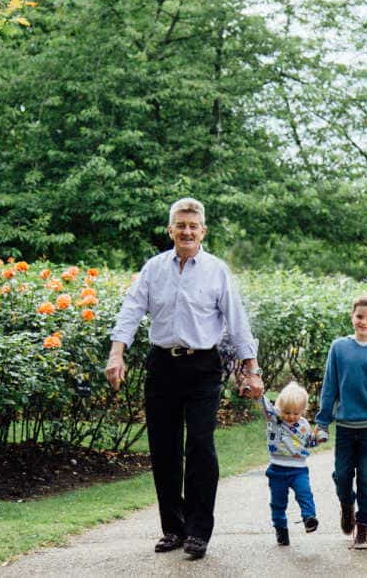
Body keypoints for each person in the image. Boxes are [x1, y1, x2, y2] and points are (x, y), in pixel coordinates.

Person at [105, 197, 264, 560]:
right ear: (170, 229)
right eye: (180, 225)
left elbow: (237, 321)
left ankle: (198, 530)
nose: (187, 231)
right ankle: (173, 528)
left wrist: (251, 369)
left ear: (203, 231)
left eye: (193, 226)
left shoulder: (217, 270)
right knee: (164, 450)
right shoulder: (154, 268)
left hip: (202, 367)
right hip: (161, 365)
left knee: (201, 445)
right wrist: (117, 353)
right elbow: (131, 311)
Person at [315, 293, 367, 550]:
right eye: (359, 316)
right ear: (352, 317)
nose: (363, 322)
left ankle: (365, 527)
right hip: (346, 428)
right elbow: (330, 386)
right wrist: (323, 422)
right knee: (342, 476)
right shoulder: (339, 348)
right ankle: (347, 505)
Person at [258, 381, 323, 545]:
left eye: (296, 413)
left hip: (299, 470)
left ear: (302, 411)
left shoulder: (304, 425)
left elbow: (309, 443)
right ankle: (281, 530)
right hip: (277, 469)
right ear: (279, 408)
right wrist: (257, 393)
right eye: (287, 412)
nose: (291, 416)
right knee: (278, 503)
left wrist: (318, 439)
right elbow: (264, 404)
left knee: (305, 494)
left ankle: (309, 518)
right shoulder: (274, 419)